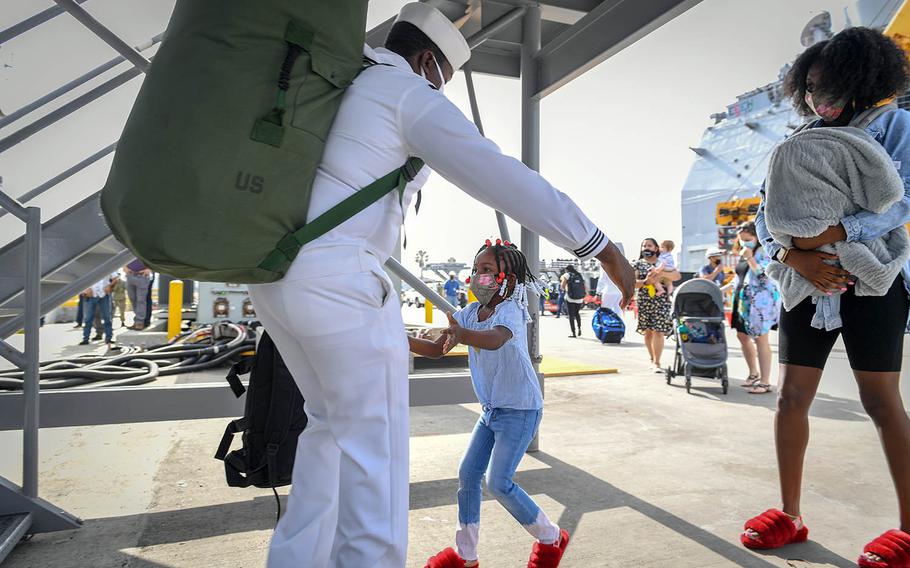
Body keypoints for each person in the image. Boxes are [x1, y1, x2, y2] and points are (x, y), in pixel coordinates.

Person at [245, 5, 635, 566]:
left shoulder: (337, 86)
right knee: (373, 465)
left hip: (276, 279)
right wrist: (599, 246)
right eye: (444, 81)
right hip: (338, 281)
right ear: (428, 62)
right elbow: (500, 174)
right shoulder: (402, 91)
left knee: (327, 433)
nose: (441, 92)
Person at [742, 28, 910, 567]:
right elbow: (765, 218)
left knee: (882, 402)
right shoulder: (795, 143)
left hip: (874, 283)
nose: (817, 96)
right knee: (791, 397)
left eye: (827, 84)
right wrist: (796, 259)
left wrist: (834, 236)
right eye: (810, 86)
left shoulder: (896, 125)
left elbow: (900, 200)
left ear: (862, 79)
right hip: (805, 288)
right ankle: (789, 514)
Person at [409, 241, 569, 568]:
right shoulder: (468, 314)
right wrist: (403, 337)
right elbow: (439, 347)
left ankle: (551, 537)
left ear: (507, 280)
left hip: (521, 409)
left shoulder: (510, 309)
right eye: (475, 270)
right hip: (491, 411)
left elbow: (495, 339)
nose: (477, 276)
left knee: (499, 482)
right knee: (468, 476)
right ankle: (465, 555)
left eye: (487, 271)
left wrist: (461, 335)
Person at [729, 223, 780, 395]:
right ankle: (753, 373)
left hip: (759, 304)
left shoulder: (763, 252)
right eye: (741, 240)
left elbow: (766, 278)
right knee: (742, 336)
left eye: (748, 240)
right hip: (743, 302)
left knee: (760, 340)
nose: (744, 243)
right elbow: (740, 276)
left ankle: (765, 382)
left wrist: (750, 258)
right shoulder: (743, 253)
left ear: (757, 237)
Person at [632, 238, 680, 373]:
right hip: (645, 300)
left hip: (661, 301)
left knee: (658, 331)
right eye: (644, 246)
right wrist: (646, 281)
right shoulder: (637, 264)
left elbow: (677, 276)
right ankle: (652, 358)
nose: (646, 248)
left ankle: (657, 362)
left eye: (649, 245)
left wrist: (661, 272)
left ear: (656, 248)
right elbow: (632, 283)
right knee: (648, 332)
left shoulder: (663, 262)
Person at [79, 278, 113, 346]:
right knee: (88, 318)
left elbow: (115, 277)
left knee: (107, 317)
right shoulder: (84, 269)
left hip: (104, 295)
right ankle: (85, 339)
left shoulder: (106, 268)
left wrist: (109, 285)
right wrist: (84, 290)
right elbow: (78, 280)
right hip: (90, 296)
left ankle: (108, 338)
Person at [125, 259, 152, 330]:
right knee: (132, 299)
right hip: (130, 275)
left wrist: (149, 269)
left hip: (142, 276)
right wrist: (124, 267)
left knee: (141, 300)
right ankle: (136, 320)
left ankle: (139, 322)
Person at [564, 265, 586, 338]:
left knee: (571, 315)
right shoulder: (579, 275)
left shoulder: (567, 275)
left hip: (570, 298)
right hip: (579, 298)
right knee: (577, 313)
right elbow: (584, 286)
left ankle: (573, 333)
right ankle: (579, 328)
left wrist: (565, 288)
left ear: (567, 270)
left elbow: (562, 286)